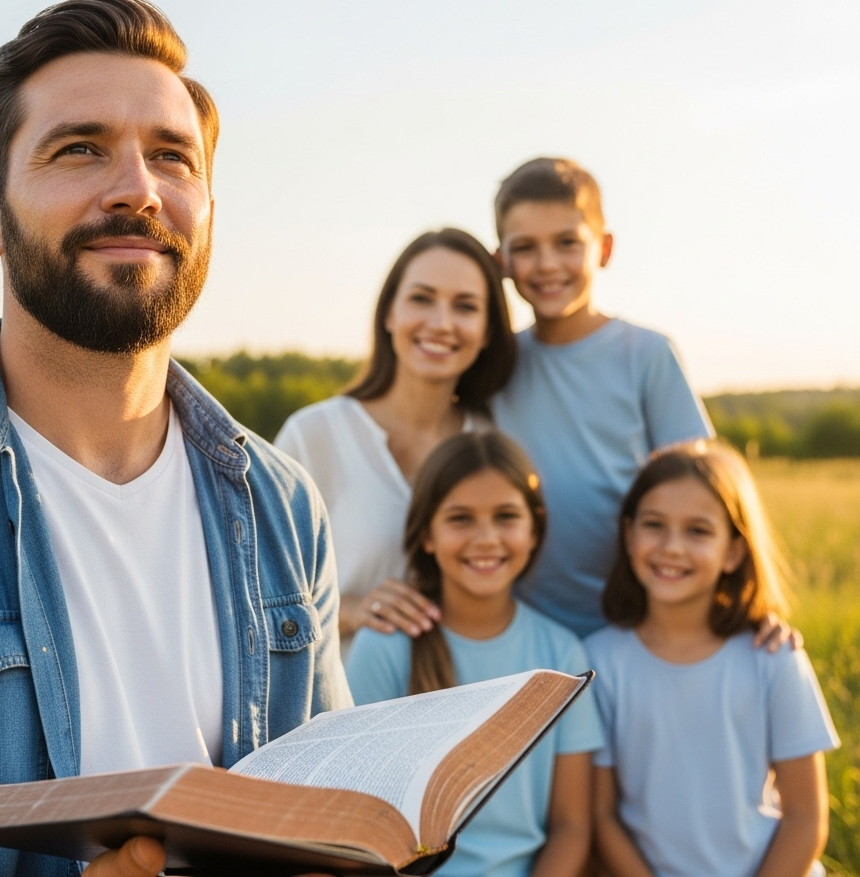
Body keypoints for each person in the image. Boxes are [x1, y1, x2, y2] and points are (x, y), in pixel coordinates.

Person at [0, 0, 350, 877]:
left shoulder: (283, 504)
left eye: (171, 157)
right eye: (80, 149)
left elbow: (323, 816)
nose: (137, 190)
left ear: (209, 213)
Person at [346, 431, 604, 877]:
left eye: (506, 516)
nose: (486, 538)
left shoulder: (562, 653)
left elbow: (571, 825)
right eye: (460, 518)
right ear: (427, 534)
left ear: (534, 529)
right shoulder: (386, 645)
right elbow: (358, 821)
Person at [587, 440, 838, 877]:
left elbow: (805, 818)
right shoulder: (598, 664)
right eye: (653, 525)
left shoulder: (773, 658)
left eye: (698, 531)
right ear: (628, 535)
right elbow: (602, 817)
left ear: (733, 551)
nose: (673, 547)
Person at [490, 156, 716, 638]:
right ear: (501, 262)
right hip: (529, 626)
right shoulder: (496, 366)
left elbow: (705, 489)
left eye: (568, 243)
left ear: (605, 247)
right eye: (525, 247)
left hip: (637, 620)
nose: (548, 263)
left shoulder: (647, 354)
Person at [275, 228, 515, 649]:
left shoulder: (495, 444)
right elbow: (251, 595)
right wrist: (351, 610)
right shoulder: (313, 436)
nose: (441, 323)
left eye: (465, 306)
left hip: (464, 705)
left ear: (488, 330)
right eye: (421, 299)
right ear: (389, 313)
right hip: (341, 705)